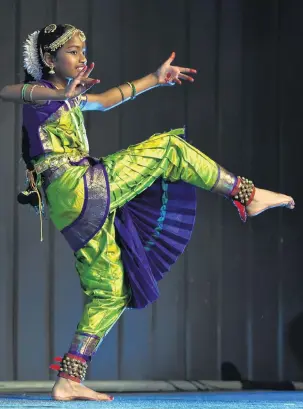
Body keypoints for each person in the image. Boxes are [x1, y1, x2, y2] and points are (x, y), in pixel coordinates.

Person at [0, 24, 295, 402]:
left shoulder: (69, 97)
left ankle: (70, 377)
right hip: (75, 184)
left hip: (68, 205)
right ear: (47, 59)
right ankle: (246, 194)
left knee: (109, 290)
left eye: (83, 50)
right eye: (72, 51)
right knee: (169, 150)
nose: (82, 57)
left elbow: (107, 100)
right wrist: (53, 91)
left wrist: (155, 79)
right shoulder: (41, 96)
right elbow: (8, 91)